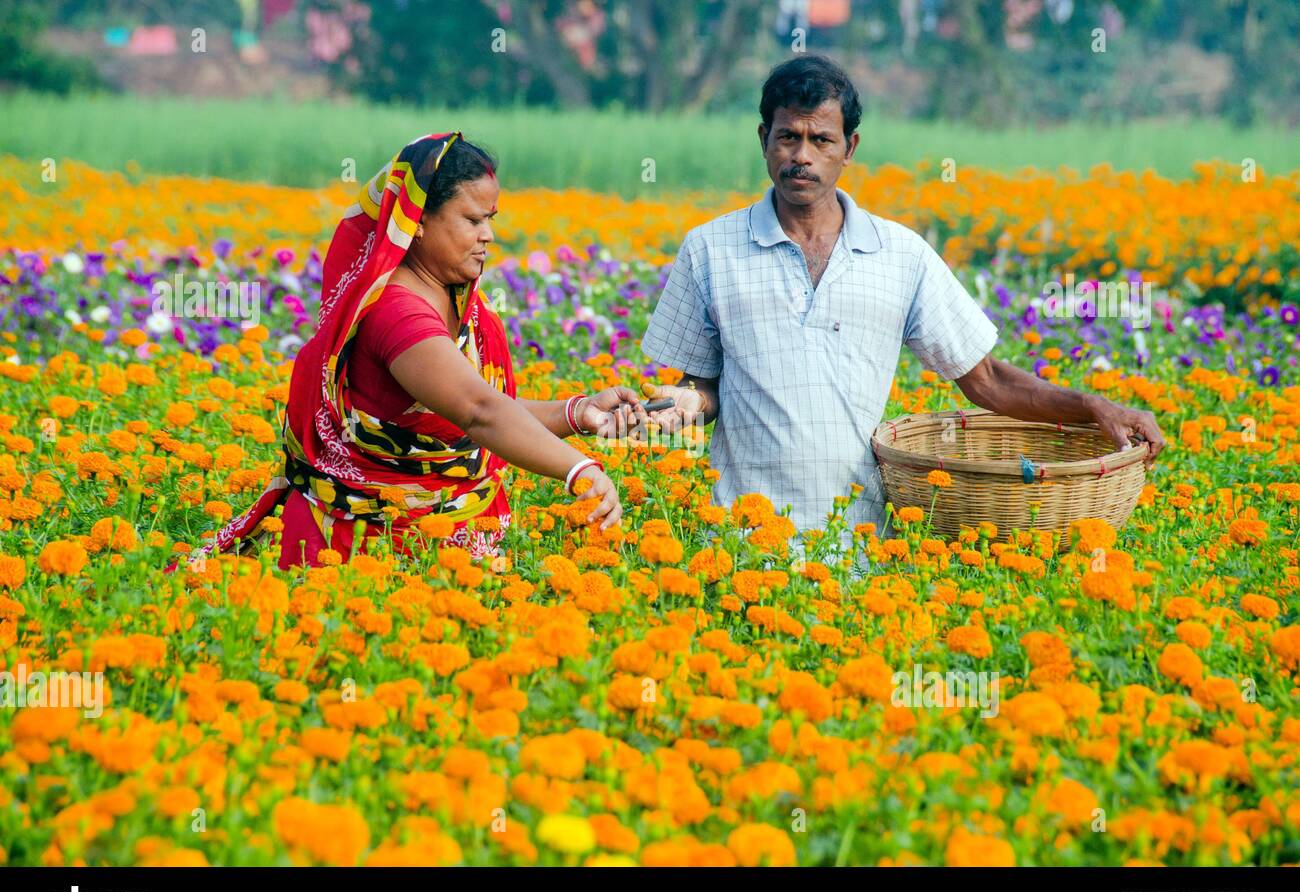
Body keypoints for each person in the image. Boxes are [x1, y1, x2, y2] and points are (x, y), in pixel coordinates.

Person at [640, 54, 1165, 547]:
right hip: (740, 542)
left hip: (858, 544)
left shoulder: (900, 254)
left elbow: (986, 381)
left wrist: (1091, 407)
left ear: (850, 149)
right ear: (763, 140)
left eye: (821, 139)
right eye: (787, 137)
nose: (802, 156)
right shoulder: (710, 248)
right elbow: (699, 386)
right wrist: (685, 403)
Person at [182, 132, 645, 571]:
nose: (488, 235)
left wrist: (579, 412)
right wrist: (578, 470)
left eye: (491, 219)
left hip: (427, 545)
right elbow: (478, 411)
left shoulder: (453, 297)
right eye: (472, 220)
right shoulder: (396, 314)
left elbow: (459, 414)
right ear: (418, 221)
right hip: (363, 554)